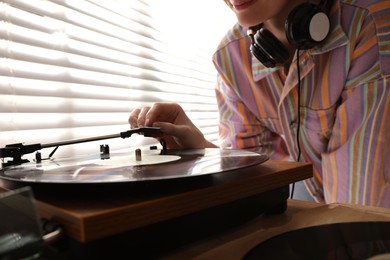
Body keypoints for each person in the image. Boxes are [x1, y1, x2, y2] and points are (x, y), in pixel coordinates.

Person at [129, 0, 390, 208]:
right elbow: (251, 180)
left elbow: (359, 201)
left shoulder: (368, 20)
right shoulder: (231, 57)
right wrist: (201, 150)